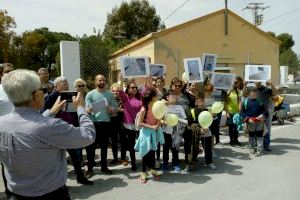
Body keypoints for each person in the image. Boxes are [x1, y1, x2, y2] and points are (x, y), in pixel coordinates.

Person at [0, 69, 96, 199]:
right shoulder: (50, 126)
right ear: (35, 95)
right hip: (50, 194)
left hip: (16, 194)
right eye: (43, 90)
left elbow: (30, 124)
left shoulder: (2, 123)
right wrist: (81, 107)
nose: (45, 94)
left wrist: (50, 112)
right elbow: (88, 135)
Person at [44, 77, 93, 185]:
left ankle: (80, 177)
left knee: (76, 156)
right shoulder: (52, 97)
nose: (66, 85)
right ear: (56, 86)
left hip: (68, 128)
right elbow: (47, 113)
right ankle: (60, 183)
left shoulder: (68, 94)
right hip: (56, 131)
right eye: (63, 84)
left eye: (67, 83)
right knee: (58, 159)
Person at [85, 74, 116, 177]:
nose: (101, 82)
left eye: (103, 80)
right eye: (99, 80)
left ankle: (104, 167)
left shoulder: (110, 94)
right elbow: (87, 109)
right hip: (93, 123)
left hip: (106, 123)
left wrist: (111, 109)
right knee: (91, 147)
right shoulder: (90, 94)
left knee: (104, 147)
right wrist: (89, 109)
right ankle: (90, 169)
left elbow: (114, 109)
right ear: (95, 82)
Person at [134, 88, 165, 183]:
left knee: (152, 152)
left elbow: (158, 117)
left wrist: (160, 122)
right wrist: (152, 127)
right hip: (146, 134)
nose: (157, 97)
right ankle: (143, 172)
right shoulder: (144, 108)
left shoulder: (156, 107)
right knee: (145, 153)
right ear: (152, 97)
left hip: (154, 133)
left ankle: (152, 169)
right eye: (155, 95)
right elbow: (139, 123)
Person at [186, 95, 216, 170]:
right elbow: (189, 124)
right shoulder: (191, 111)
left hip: (205, 130)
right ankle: (190, 162)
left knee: (208, 146)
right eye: (200, 101)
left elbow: (210, 121)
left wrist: (206, 128)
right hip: (194, 131)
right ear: (196, 102)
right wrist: (199, 129)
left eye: (203, 101)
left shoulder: (207, 110)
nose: (202, 103)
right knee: (193, 147)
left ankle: (209, 162)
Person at [118, 80, 142, 171]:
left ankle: (146, 162)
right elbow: (120, 91)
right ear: (128, 89)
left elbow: (147, 88)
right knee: (131, 146)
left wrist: (148, 78)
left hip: (140, 124)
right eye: (132, 87)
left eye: (136, 87)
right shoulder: (125, 98)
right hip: (129, 125)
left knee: (143, 144)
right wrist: (121, 78)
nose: (135, 89)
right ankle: (133, 163)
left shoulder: (140, 97)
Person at [162, 93, 187, 173]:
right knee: (165, 148)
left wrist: (177, 120)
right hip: (166, 131)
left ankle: (175, 163)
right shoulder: (164, 107)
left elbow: (185, 119)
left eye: (175, 96)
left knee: (175, 148)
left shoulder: (179, 107)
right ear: (167, 97)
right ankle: (165, 164)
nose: (174, 97)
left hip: (176, 132)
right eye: (172, 96)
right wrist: (163, 121)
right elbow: (160, 118)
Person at [241, 85, 267, 156]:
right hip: (250, 122)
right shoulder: (245, 102)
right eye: (253, 93)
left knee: (259, 136)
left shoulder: (260, 101)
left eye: (256, 93)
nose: (255, 94)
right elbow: (242, 113)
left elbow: (265, 111)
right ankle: (252, 148)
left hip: (259, 121)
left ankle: (259, 150)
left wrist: (262, 115)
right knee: (251, 136)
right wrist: (248, 119)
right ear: (249, 93)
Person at [256, 80, 277, 151]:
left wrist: (271, 84)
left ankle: (266, 145)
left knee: (267, 129)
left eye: (258, 81)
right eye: (255, 81)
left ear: (261, 81)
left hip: (265, 112)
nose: (256, 82)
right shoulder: (252, 89)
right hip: (255, 112)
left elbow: (275, 93)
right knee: (256, 129)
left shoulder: (265, 89)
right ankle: (257, 145)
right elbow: (244, 95)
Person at [225, 76, 244, 146]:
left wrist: (239, 112)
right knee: (231, 127)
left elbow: (240, 102)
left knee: (236, 127)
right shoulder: (229, 91)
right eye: (234, 82)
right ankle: (231, 140)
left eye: (236, 82)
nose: (235, 83)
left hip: (236, 112)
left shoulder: (238, 91)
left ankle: (236, 140)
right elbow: (225, 102)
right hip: (230, 112)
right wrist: (226, 112)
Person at [110, 83, 124, 165]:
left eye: (117, 91)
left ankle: (123, 158)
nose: (115, 92)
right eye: (113, 91)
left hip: (121, 122)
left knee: (122, 141)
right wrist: (117, 110)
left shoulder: (123, 100)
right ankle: (115, 158)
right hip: (112, 122)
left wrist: (119, 110)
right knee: (114, 141)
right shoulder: (109, 100)